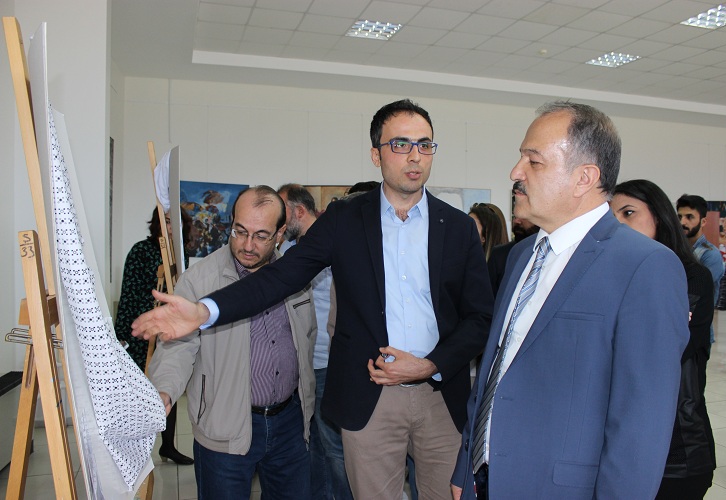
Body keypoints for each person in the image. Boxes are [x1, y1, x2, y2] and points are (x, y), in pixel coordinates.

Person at [132, 98, 494, 499]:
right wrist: (205, 310)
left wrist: (431, 364)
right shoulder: (344, 220)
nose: (415, 156)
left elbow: (480, 317)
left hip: (441, 396)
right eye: (401, 144)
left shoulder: (457, 227)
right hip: (371, 396)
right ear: (376, 154)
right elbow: (281, 276)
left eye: (425, 145)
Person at [451, 101, 689, 499]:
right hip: (487, 479)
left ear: (584, 178)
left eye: (534, 161)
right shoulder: (521, 256)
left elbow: (641, 424)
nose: (515, 172)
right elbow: (495, 368)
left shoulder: (645, 267)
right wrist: (465, 468)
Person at [147, 186, 317, 499]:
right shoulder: (199, 281)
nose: (247, 245)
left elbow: (307, 337)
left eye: (261, 236)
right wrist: (164, 390)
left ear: (280, 233)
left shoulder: (294, 278)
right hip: (224, 424)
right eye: (240, 231)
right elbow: (178, 347)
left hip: (288, 424)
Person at [612, 179, 715, 499]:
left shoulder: (692, 275)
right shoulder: (613, 275)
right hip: (619, 440)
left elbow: (661, 353)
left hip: (678, 444)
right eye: (611, 216)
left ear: (659, 217)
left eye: (628, 213)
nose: (618, 224)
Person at [277, 182, 352, 500]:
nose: (279, 223)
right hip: (304, 364)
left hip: (327, 361)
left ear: (298, 211)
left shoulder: (331, 244)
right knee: (314, 443)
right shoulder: (291, 250)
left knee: (334, 448)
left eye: (282, 214)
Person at [114, 206, 193, 465]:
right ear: (157, 223)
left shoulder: (180, 255)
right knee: (138, 393)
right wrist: (124, 335)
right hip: (142, 332)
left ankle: (167, 446)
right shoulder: (140, 251)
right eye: (167, 221)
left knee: (167, 386)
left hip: (168, 332)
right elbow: (129, 294)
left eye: (176, 222)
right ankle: (132, 450)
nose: (171, 227)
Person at [677, 194, 724, 344]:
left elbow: (695, 293)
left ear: (703, 221)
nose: (682, 222)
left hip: (698, 330)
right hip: (677, 325)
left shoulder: (710, 255)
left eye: (689, 217)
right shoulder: (675, 250)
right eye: (680, 216)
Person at [487, 216, 539, 295]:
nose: (516, 221)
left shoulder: (550, 254)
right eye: (515, 217)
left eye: (523, 217)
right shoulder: (499, 254)